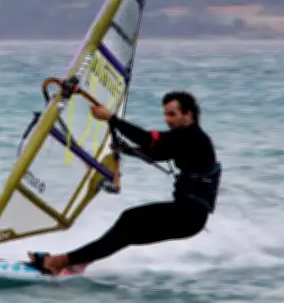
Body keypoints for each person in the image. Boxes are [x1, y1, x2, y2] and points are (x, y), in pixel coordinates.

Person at [27, 90, 221, 276]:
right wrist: (127, 149)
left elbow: (147, 140)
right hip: (189, 217)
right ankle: (75, 262)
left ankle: (61, 262)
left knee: (129, 220)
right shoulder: (187, 140)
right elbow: (157, 153)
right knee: (125, 232)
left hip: (188, 216)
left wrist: (111, 118)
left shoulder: (193, 137)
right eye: (165, 114)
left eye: (172, 114)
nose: (167, 119)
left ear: (189, 114)